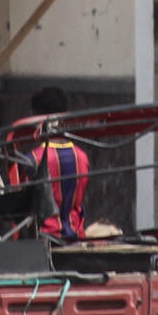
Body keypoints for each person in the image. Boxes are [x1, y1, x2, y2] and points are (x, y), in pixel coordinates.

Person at [21, 86, 90, 241]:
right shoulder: (82, 157)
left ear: (37, 119)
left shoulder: (33, 159)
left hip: (43, 239)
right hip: (77, 236)